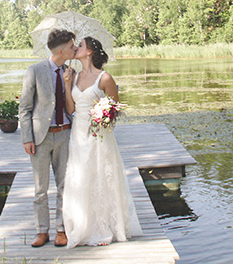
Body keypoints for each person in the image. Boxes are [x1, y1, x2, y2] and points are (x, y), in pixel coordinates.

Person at [62, 37, 143, 248]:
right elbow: (70, 110)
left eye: (80, 45)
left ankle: (104, 227)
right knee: (80, 176)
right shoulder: (75, 75)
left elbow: (115, 109)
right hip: (77, 135)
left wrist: (103, 116)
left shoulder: (105, 78)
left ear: (89, 52)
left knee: (99, 175)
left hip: (98, 135)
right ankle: (82, 225)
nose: (76, 48)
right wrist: (67, 83)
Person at [18, 29, 76, 248]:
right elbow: (24, 107)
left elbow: (73, 105)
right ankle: (42, 231)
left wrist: (69, 83)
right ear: (61, 50)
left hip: (65, 135)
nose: (74, 49)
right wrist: (27, 138)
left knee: (65, 186)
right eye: (72, 46)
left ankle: (62, 230)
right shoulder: (34, 71)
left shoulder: (71, 71)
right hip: (41, 138)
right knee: (40, 189)